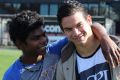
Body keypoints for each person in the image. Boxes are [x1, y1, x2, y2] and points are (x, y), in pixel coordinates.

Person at [2, 10, 119, 80]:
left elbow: (89, 27)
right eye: (36, 38)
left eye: (44, 35)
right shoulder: (12, 75)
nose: (44, 40)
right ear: (20, 44)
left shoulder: (53, 51)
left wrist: (104, 38)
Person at [56, 0, 120, 80]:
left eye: (79, 25)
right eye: (69, 29)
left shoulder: (117, 47)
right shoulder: (63, 63)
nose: (76, 33)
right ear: (63, 31)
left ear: (89, 20)